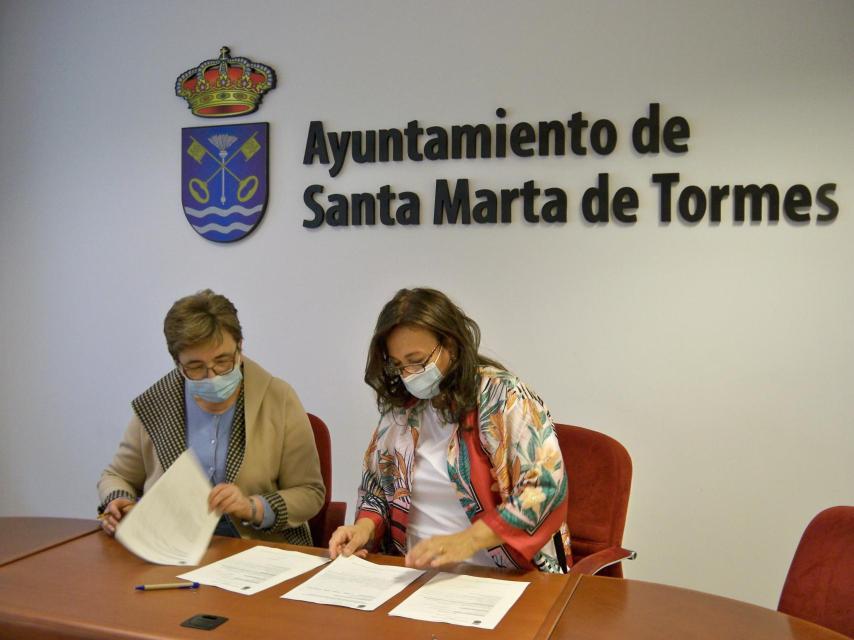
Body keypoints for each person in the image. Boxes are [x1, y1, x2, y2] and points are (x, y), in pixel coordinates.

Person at [329, 288, 571, 572]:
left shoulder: (503, 397)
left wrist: (467, 541)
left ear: (451, 346)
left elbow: (545, 488)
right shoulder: (400, 412)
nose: (408, 375)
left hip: (501, 576)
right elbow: (377, 491)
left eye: (417, 361)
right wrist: (363, 529)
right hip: (412, 574)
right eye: (399, 366)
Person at [97, 289, 325, 544]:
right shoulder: (157, 403)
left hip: (257, 545)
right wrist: (119, 500)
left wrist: (252, 507)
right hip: (172, 545)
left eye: (223, 361)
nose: (212, 376)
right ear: (178, 363)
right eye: (195, 367)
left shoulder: (277, 398)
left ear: (240, 347)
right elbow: (117, 476)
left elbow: (310, 493)